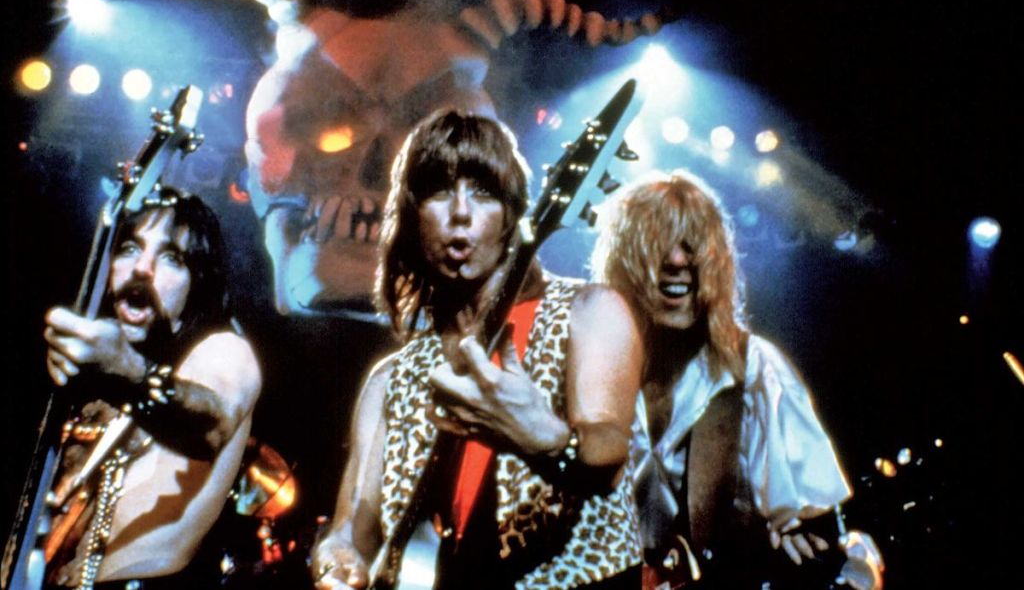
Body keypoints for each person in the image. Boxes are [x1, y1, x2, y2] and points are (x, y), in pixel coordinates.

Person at [312, 110, 644, 589]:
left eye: (484, 193)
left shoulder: (588, 312)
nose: (461, 212)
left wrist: (545, 437)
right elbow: (352, 531)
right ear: (412, 215)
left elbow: (609, 450)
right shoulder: (392, 379)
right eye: (439, 191)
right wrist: (334, 558)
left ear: (511, 214)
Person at [591, 170, 884, 590]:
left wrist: (800, 540)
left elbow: (816, 525)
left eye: (691, 245)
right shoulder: (591, 374)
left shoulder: (754, 369)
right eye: (656, 245)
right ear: (624, 265)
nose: (677, 261)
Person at [41, 187, 262, 588]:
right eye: (129, 249)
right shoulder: (86, 373)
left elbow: (210, 425)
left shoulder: (223, 351)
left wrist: (128, 370)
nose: (142, 269)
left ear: (196, 285)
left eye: (171, 257)